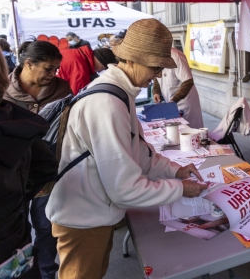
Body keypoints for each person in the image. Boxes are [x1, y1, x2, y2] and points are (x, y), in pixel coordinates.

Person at [46, 19, 207, 279]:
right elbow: (125, 189)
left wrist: (176, 171)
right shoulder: (107, 103)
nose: (157, 75)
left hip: (94, 211)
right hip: (83, 217)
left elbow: (139, 152)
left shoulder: (119, 93)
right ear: (131, 60)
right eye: (155, 67)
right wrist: (180, 189)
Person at [3, 40, 72, 279]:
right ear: (28, 63)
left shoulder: (62, 88)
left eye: (56, 69)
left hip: (49, 170)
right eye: (48, 68)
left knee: (44, 226)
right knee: (19, 229)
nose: (53, 74)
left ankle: (47, 272)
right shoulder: (5, 91)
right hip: (12, 174)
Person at [152, 48, 204, 129]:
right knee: (174, 131)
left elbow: (188, 82)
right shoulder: (154, 55)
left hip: (184, 103)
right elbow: (157, 75)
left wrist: (174, 100)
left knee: (190, 131)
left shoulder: (176, 56)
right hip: (170, 103)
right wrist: (156, 92)